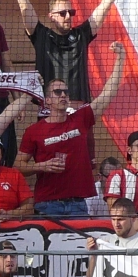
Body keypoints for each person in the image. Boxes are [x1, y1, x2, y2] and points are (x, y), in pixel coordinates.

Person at [15, 47, 126, 219]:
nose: (63, 95)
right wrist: (42, 166)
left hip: (78, 203)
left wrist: (120, 59)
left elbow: (107, 95)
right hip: (47, 203)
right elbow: (18, 166)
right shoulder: (34, 131)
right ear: (47, 100)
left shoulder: (80, 119)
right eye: (57, 92)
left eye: (66, 92)